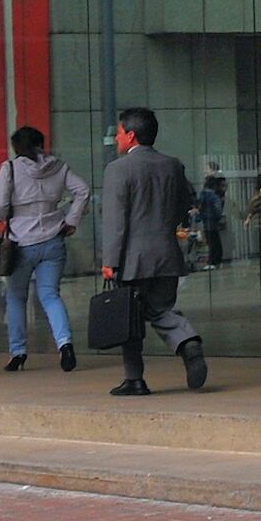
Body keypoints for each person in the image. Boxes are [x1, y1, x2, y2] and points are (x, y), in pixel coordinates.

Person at [96, 107, 209, 394]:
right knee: (160, 308)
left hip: (131, 257)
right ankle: (187, 341)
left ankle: (135, 379)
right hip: (167, 253)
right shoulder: (172, 165)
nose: (116, 139)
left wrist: (110, 260)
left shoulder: (118, 169)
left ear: (130, 135)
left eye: (119, 133)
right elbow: (184, 204)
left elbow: (115, 220)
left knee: (129, 317)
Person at [0, 125, 88, 371]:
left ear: (17, 147)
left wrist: (5, 217)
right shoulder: (59, 167)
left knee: (16, 297)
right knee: (50, 295)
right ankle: (65, 344)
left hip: (21, 242)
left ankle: (18, 352)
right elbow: (83, 191)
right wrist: (71, 220)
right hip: (54, 239)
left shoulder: (10, 168)